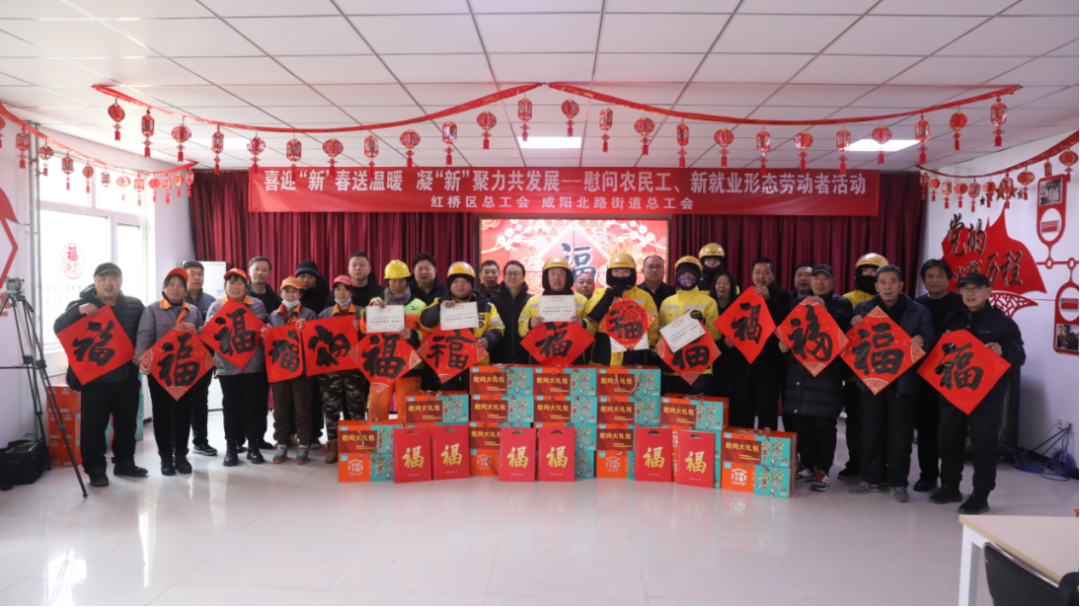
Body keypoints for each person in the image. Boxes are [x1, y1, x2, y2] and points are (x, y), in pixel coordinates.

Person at [930, 273, 1025, 515]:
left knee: (984, 447)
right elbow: (939, 356)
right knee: (949, 443)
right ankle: (950, 487)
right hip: (952, 393)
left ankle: (980, 496)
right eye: (965, 289)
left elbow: (1019, 357)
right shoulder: (952, 318)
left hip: (986, 398)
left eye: (976, 288)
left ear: (988, 291)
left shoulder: (1003, 323)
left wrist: (1002, 352)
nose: (970, 293)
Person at [54, 263, 146, 488]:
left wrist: (143, 354)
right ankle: (95, 469)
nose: (108, 283)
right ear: (95, 281)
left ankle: (125, 463)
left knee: (126, 426)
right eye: (103, 279)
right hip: (95, 381)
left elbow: (145, 333)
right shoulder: (80, 305)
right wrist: (77, 312)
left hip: (127, 378)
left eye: (113, 278)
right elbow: (58, 328)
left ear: (120, 281)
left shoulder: (135, 305)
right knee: (93, 428)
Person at [849, 264, 936, 503]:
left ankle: (898, 482)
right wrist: (853, 326)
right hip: (871, 382)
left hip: (903, 384)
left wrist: (922, 341)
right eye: (883, 282)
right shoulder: (864, 308)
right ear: (876, 286)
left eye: (892, 282)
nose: (887, 286)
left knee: (900, 436)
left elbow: (930, 338)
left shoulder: (918, 311)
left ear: (901, 285)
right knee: (870, 433)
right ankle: (870, 478)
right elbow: (852, 343)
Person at [778, 264, 853, 492]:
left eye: (825, 278)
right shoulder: (797, 304)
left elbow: (842, 330)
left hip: (826, 375)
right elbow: (787, 333)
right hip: (799, 373)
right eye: (816, 278)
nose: (820, 282)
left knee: (824, 424)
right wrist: (782, 343)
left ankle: (823, 469)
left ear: (833, 281)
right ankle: (808, 464)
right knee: (802, 422)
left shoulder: (841, 304)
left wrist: (824, 310)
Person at [135, 267, 203, 477]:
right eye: (171, 285)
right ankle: (165, 457)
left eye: (180, 285)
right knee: (162, 414)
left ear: (185, 289)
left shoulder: (193, 311)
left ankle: (181, 455)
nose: (176, 289)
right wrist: (140, 361)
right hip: (160, 371)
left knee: (183, 413)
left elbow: (202, 338)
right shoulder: (153, 309)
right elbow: (144, 336)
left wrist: (197, 331)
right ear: (164, 288)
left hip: (185, 371)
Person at [205, 269, 271, 466]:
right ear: (225, 286)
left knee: (252, 406)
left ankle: (253, 447)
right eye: (231, 282)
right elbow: (210, 335)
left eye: (240, 283)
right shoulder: (216, 306)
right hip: (228, 367)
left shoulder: (257, 305)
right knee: (231, 407)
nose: (235, 286)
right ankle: (231, 448)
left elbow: (262, 332)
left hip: (253, 365)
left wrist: (267, 333)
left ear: (246, 286)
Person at [912, 259, 965, 493]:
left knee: (953, 430)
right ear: (923, 281)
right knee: (926, 429)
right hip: (924, 376)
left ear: (949, 279)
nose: (935, 280)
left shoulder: (962, 303)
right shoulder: (916, 305)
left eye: (940, 275)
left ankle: (951, 481)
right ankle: (928, 475)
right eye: (930, 276)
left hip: (954, 375)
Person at [838, 252, 889, 481]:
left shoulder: (892, 299)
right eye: (864, 270)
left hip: (884, 375)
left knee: (881, 425)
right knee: (855, 423)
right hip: (854, 375)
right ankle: (855, 461)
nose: (868, 274)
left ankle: (880, 465)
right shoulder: (847, 299)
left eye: (873, 270)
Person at [726, 257, 790, 430]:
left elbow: (784, 325)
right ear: (752, 275)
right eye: (757, 272)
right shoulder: (743, 296)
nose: (761, 276)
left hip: (769, 366)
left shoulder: (783, 296)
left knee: (767, 411)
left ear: (773, 276)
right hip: (744, 365)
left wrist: (769, 300)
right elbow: (734, 326)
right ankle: (743, 444)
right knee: (743, 409)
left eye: (766, 272)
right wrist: (729, 340)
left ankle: (766, 446)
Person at [419, 262, 504, 391]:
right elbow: (424, 323)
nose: (460, 285)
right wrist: (440, 309)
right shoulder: (439, 302)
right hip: (447, 369)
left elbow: (498, 327)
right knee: (451, 403)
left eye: (464, 281)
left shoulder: (486, 305)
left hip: (477, 367)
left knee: (476, 403)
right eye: (455, 281)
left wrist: (488, 339)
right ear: (449, 284)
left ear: (472, 284)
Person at [365, 260, 427, 421]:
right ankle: (377, 437)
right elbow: (364, 329)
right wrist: (371, 312)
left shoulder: (420, 306)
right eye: (393, 280)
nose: (398, 284)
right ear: (387, 282)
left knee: (408, 413)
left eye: (401, 280)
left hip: (410, 366)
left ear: (407, 281)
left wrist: (414, 335)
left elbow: (429, 335)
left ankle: (408, 438)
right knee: (376, 410)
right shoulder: (375, 303)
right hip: (381, 366)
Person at [317, 275, 369, 464]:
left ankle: (357, 445)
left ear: (352, 292)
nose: (341, 292)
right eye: (338, 289)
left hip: (355, 368)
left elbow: (373, 340)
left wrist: (361, 329)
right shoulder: (325, 314)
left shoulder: (362, 313)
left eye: (345, 289)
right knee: (331, 408)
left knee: (356, 407)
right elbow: (316, 341)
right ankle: (334, 446)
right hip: (330, 370)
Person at [265, 277, 317, 465]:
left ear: (300, 293)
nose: (291, 294)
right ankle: (281, 443)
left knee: (302, 407)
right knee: (280, 407)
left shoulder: (309, 314)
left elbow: (316, 342)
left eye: (294, 291)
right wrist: (265, 335)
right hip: (279, 369)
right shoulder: (272, 316)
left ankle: (303, 443)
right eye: (287, 291)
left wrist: (307, 331)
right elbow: (267, 344)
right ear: (281, 293)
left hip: (302, 369)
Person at [658, 256, 720, 395]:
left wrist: (704, 323)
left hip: (699, 367)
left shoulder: (709, 302)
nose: (687, 277)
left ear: (697, 277)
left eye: (691, 274)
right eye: (683, 274)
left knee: (697, 406)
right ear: (676, 277)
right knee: (673, 406)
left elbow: (716, 335)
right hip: (672, 366)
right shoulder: (667, 302)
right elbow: (659, 333)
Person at [584, 253, 658, 366]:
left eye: (625, 271)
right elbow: (591, 315)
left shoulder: (644, 296)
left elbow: (653, 327)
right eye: (616, 271)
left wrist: (643, 347)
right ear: (610, 273)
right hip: (603, 355)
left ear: (632, 273)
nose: (621, 275)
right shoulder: (600, 293)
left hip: (633, 357)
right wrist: (608, 295)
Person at [518, 257, 589, 361]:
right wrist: (529, 324)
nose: (557, 277)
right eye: (552, 273)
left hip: (573, 360)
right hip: (541, 360)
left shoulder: (582, 301)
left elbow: (594, 328)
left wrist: (584, 324)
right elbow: (520, 330)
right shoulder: (533, 301)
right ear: (546, 277)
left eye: (561, 273)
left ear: (568, 277)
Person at [182, 260, 218, 457]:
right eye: (192, 273)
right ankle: (177, 445)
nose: (197, 277)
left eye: (200, 273)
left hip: (204, 358)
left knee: (200, 400)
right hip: (180, 359)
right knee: (178, 401)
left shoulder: (211, 301)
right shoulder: (176, 298)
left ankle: (200, 441)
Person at [708, 269, 744, 403]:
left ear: (732, 285)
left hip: (734, 356)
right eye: (718, 283)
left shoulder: (739, 303)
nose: (721, 286)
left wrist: (736, 340)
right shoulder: (708, 303)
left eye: (726, 283)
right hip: (713, 355)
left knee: (734, 395)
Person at [487, 260, 531, 365]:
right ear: (504, 276)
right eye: (509, 273)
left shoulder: (531, 301)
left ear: (523, 277)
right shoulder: (493, 300)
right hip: (497, 358)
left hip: (525, 358)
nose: (512, 276)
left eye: (516, 273)